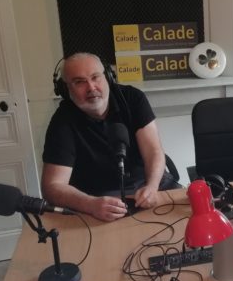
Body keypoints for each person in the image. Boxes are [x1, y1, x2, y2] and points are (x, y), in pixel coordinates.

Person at [42, 52, 180, 222]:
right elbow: (52, 186)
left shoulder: (133, 98)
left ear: (108, 77)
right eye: (79, 82)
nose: (91, 87)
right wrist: (90, 204)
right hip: (100, 198)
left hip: (148, 183)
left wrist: (152, 186)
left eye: (95, 77)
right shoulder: (62, 121)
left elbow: (154, 151)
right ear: (66, 89)